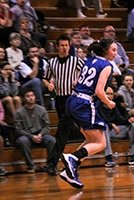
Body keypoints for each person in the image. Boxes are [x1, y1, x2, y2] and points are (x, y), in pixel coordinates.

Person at [58, 38, 117, 189]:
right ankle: (72, 158)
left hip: (72, 100)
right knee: (101, 143)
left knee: (91, 139)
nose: (116, 54)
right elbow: (99, 91)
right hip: (83, 103)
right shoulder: (107, 65)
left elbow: (77, 81)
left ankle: (69, 170)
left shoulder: (90, 59)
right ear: (105, 51)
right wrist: (109, 102)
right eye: (113, 50)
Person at [42, 34, 84, 176]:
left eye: (67, 45)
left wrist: (77, 80)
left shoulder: (76, 61)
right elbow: (45, 79)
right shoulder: (51, 62)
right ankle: (69, 160)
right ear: (57, 46)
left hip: (73, 99)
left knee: (63, 133)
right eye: (62, 45)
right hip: (60, 100)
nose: (65, 48)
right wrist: (49, 85)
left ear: (69, 46)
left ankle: (52, 163)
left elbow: (86, 74)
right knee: (64, 132)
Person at [99, 86, 134, 167]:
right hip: (103, 134)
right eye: (107, 93)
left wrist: (128, 120)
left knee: (132, 125)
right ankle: (108, 158)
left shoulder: (113, 106)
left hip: (115, 132)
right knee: (105, 127)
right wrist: (112, 125)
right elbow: (98, 121)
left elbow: (120, 119)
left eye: (111, 94)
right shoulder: (97, 106)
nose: (109, 96)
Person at [14, 88, 56, 173]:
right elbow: (18, 129)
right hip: (27, 136)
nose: (30, 98)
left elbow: (47, 126)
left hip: (41, 135)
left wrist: (41, 134)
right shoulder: (19, 112)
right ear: (23, 98)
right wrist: (31, 136)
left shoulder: (42, 109)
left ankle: (50, 165)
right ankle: (30, 166)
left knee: (52, 140)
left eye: (32, 95)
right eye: (28, 96)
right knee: (22, 141)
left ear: (35, 97)